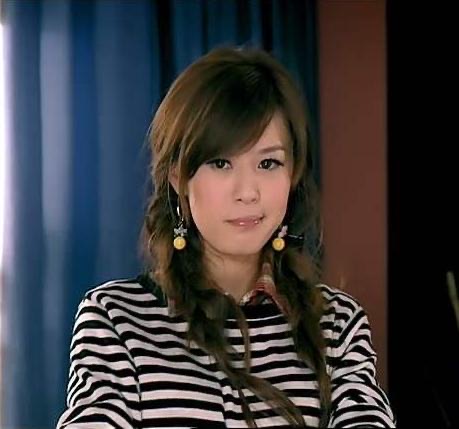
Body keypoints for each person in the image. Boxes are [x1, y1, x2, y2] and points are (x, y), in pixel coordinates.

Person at [56, 46, 395, 428]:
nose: (247, 192)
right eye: (220, 163)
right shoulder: (115, 319)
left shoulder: (336, 323)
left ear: (293, 175)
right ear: (178, 178)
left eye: (268, 163)